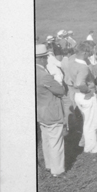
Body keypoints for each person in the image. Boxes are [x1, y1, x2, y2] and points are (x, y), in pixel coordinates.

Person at [36, 43, 67, 176]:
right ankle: (57, 170)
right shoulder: (44, 75)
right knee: (56, 141)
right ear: (42, 58)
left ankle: (49, 164)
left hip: (40, 111)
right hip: (52, 111)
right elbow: (60, 90)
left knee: (47, 139)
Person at [65, 41, 97, 155]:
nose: (90, 54)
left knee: (88, 122)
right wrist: (88, 91)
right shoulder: (83, 67)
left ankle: (88, 145)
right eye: (89, 52)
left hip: (77, 95)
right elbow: (80, 83)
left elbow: (73, 81)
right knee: (91, 123)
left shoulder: (72, 62)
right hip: (85, 95)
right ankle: (91, 148)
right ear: (85, 52)